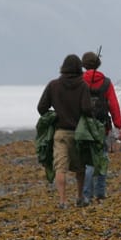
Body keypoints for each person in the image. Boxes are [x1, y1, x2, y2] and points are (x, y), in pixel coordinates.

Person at [37, 54, 93, 208]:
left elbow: (41, 108)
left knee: (60, 168)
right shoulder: (83, 86)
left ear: (63, 67)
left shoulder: (53, 85)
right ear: (79, 68)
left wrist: (54, 117)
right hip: (79, 134)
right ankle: (80, 197)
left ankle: (62, 201)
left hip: (60, 133)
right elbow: (87, 109)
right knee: (80, 167)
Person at [81, 50, 121, 204]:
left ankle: (86, 195)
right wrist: (118, 126)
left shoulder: (80, 81)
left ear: (84, 65)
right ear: (98, 64)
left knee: (87, 161)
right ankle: (100, 192)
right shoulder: (106, 82)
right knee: (103, 158)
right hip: (102, 126)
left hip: (84, 126)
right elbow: (113, 105)